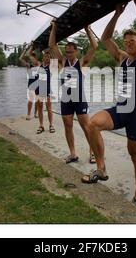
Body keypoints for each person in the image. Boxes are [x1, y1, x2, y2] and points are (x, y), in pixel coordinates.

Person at [81, 0, 136, 210]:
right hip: (120, 110)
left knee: (135, 157)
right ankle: (101, 169)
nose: (128, 44)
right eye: (126, 42)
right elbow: (105, 39)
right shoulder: (122, 58)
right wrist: (117, 13)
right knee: (92, 124)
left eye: (132, 41)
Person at [48, 21, 98, 164]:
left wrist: (87, 29)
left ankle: (93, 152)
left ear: (76, 51)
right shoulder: (62, 61)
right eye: (67, 51)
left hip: (79, 99)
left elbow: (95, 46)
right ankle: (73, 154)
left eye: (71, 51)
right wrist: (54, 27)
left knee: (86, 127)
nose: (68, 53)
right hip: (66, 100)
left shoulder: (81, 62)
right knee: (68, 126)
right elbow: (52, 45)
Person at [28, 49, 55, 134]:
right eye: (45, 56)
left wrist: (52, 48)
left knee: (49, 108)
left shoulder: (51, 66)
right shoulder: (38, 65)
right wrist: (32, 47)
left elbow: (56, 57)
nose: (47, 58)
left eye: (48, 57)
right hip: (38, 90)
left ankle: (51, 125)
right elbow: (30, 56)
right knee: (39, 108)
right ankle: (41, 125)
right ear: (43, 58)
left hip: (47, 90)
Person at [19, 45, 39, 120]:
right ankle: (28, 114)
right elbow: (20, 58)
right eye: (32, 57)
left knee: (37, 100)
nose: (32, 58)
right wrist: (25, 50)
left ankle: (36, 113)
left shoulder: (38, 64)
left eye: (34, 57)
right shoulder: (29, 65)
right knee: (31, 100)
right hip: (31, 85)